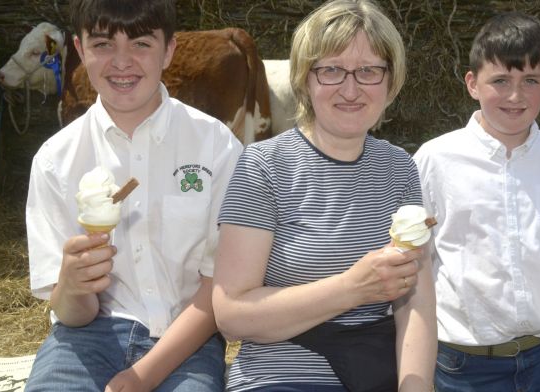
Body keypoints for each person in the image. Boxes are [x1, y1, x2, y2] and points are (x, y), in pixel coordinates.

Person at [211, 1, 437, 391]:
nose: (351, 89)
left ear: (390, 80)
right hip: (280, 374)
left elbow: (415, 304)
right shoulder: (263, 166)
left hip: (376, 371)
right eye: (331, 70)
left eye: (368, 71)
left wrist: (415, 386)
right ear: (305, 79)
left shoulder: (400, 169)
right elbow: (231, 314)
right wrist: (352, 288)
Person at [23, 0, 243, 391]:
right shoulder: (56, 161)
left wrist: (142, 376)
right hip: (84, 339)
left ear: (169, 50)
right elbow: (73, 315)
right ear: (80, 50)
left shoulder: (216, 147)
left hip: (187, 336)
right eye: (104, 44)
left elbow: (219, 288)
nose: (121, 62)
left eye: (141, 43)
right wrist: (73, 286)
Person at [412, 11, 540, 391]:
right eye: (500, 80)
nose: (516, 96)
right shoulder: (433, 161)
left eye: (531, 80)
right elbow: (414, 265)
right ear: (472, 83)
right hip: (463, 366)